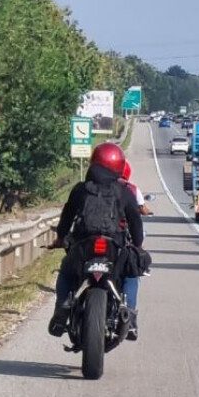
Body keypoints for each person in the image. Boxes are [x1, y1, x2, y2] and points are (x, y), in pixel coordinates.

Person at [49, 142, 145, 341]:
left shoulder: (81, 189)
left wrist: (60, 237)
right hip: (114, 246)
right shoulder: (124, 191)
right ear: (119, 165)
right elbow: (135, 221)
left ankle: (61, 308)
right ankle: (130, 316)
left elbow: (66, 217)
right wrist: (137, 245)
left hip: (83, 245)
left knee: (66, 271)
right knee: (131, 274)